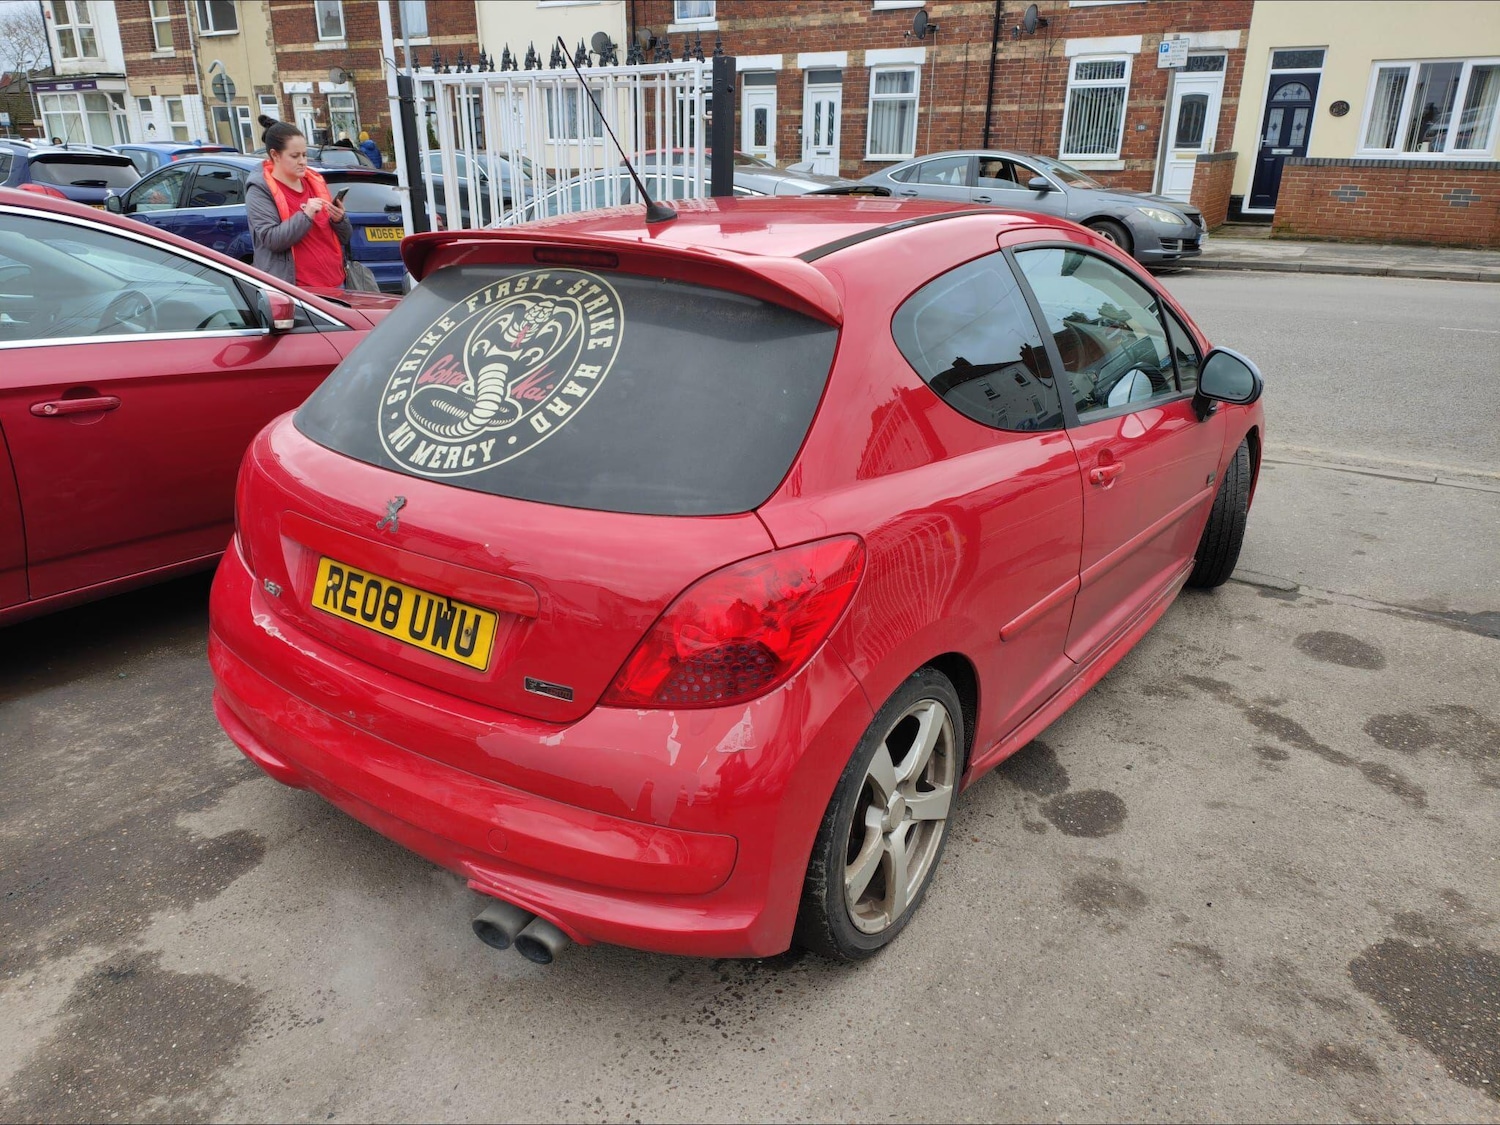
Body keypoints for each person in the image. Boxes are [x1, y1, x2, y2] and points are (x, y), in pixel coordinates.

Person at [246, 114, 351, 289]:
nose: (302, 162)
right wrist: (306, 215)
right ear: (275, 155)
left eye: (304, 155)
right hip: (297, 291)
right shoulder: (259, 190)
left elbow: (345, 237)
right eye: (295, 156)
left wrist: (340, 220)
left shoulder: (314, 181)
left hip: (337, 283)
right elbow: (272, 239)